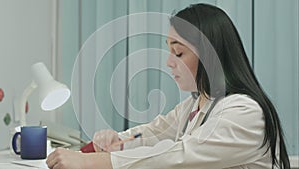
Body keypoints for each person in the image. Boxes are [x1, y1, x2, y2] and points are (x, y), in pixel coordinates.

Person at [46, 3, 290, 169]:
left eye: (179, 53)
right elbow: (151, 134)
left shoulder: (244, 112)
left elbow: (180, 155)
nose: (169, 62)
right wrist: (115, 141)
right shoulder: (194, 106)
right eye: (169, 51)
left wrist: (93, 162)